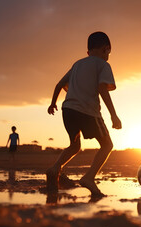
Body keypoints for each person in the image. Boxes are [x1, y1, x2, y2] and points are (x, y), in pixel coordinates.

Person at [46, 31, 122, 197]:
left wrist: (53, 103)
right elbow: (102, 88)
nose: (108, 56)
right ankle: (89, 177)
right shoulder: (103, 65)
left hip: (68, 110)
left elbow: (59, 84)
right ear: (106, 49)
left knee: (75, 145)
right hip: (88, 112)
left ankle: (55, 169)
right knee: (107, 145)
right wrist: (113, 115)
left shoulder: (77, 64)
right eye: (108, 53)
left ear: (88, 52)